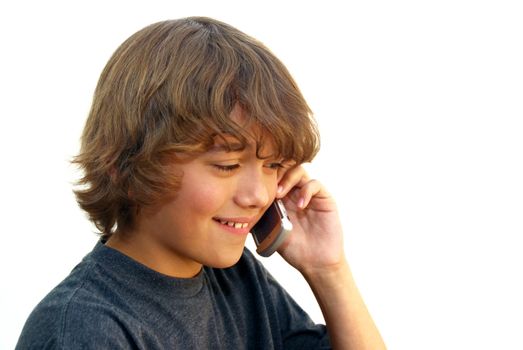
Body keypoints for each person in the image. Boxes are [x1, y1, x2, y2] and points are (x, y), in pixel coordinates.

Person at [16, 17, 385, 349]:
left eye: (272, 165)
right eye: (226, 166)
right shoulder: (85, 330)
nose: (258, 195)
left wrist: (328, 271)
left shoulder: (238, 279)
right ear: (125, 167)